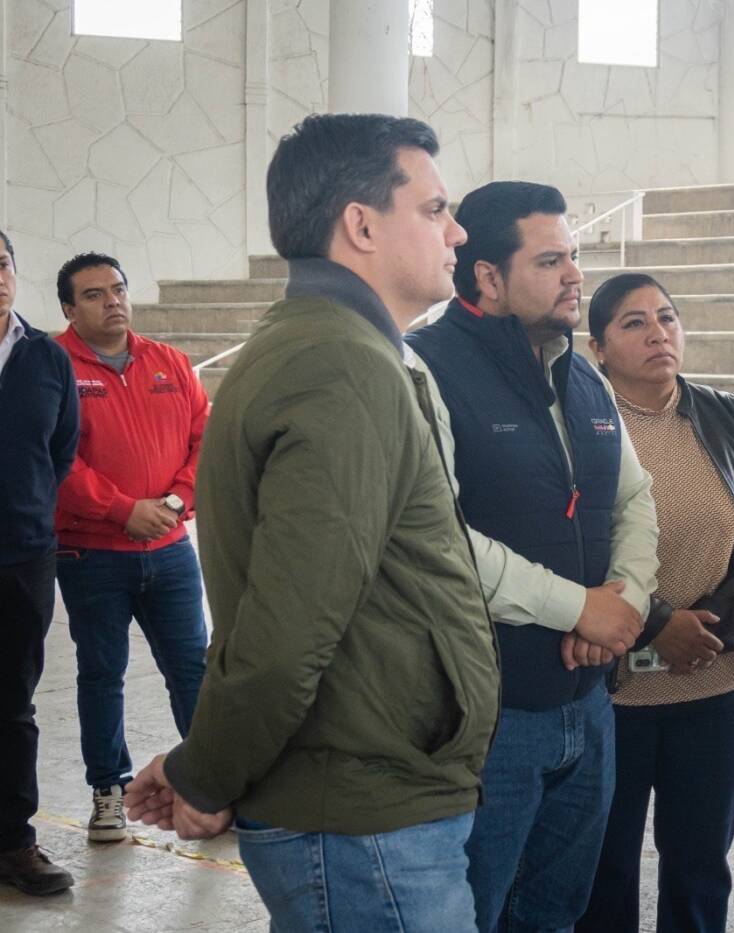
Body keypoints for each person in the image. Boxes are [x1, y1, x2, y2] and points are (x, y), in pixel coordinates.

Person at [124, 113, 500, 932]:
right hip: (362, 820)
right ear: (361, 224)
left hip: (371, 803)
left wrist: (205, 765)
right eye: (436, 209)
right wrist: (205, 773)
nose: (458, 230)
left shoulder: (329, 345)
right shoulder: (338, 363)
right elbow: (287, 632)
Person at [406, 182, 658, 933]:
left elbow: (635, 500)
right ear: (486, 276)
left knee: (554, 914)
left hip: (587, 707)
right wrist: (579, 606)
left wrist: (625, 604)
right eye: (551, 260)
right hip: (489, 719)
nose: (576, 276)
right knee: (472, 914)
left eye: (574, 257)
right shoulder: (425, 370)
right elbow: (436, 538)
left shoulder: (583, 378)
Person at [575, 273, 734, 933]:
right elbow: (568, 546)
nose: (657, 332)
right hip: (611, 689)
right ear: (598, 347)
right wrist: (657, 625)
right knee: (602, 871)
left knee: (698, 868)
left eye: (666, 317)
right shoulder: (575, 425)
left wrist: (709, 629)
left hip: (717, 683)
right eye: (633, 322)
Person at [51, 251, 209, 844]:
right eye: (93, 294)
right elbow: (57, 458)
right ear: (69, 308)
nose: (112, 300)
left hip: (169, 548)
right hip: (91, 553)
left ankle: (205, 787)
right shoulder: (54, 366)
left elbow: (203, 438)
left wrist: (171, 506)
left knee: (193, 669)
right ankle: (108, 793)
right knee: (101, 673)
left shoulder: (169, 360)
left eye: (117, 289)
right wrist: (123, 511)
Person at [0, 230, 80, 896]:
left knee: (13, 702)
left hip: (23, 555)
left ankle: (14, 841)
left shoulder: (45, 359)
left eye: (1, 264)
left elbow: (60, 451)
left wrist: (25, 508)